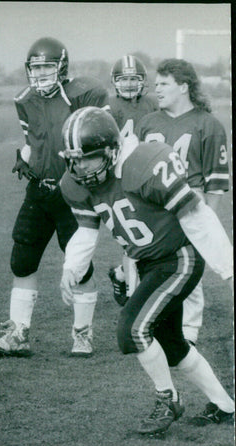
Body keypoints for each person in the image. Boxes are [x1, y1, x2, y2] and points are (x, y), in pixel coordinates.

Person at [58, 106, 234, 436]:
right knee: (173, 345)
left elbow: (197, 218)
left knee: (132, 330)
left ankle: (167, 399)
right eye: (74, 159)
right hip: (148, 263)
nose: (80, 167)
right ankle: (226, 407)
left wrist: (228, 269)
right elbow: (86, 228)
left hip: (177, 258)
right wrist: (72, 266)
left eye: (88, 158)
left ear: (111, 151)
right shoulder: (76, 183)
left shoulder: (144, 163)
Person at [0, 37, 108, 358]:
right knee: (22, 262)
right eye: (35, 68)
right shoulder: (24, 98)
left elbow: (99, 137)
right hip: (38, 189)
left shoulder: (82, 94)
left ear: (62, 67)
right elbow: (33, 138)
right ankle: (18, 333)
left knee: (80, 266)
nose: (39, 74)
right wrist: (27, 156)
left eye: (46, 67)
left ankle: (82, 334)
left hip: (74, 191)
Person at [134, 58, 231, 346]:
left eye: (164, 84)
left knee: (191, 267)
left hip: (190, 204)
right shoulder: (148, 122)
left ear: (184, 87)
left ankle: (189, 329)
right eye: (156, 84)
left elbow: (216, 181)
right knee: (151, 264)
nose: (157, 89)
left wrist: (207, 221)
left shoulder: (209, 125)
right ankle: (151, 321)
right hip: (152, 208)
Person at [107, 55, 159, 307]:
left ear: (143, 81)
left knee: (151, 236)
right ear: (115, 82)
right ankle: (132, 294)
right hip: (122, 180)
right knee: (133, 239)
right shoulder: (109, 108)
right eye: (123, 79)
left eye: (133, 78)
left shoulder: (152, 105)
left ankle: (121, 275)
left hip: (149, 177)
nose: (128, 84)